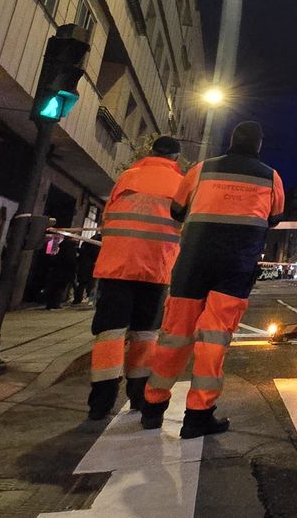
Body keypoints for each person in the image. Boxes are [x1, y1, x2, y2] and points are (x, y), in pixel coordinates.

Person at [140, 122, 284, 438]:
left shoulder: (202, 170)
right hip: (236, 266)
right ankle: (198, 415)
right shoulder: (271, 177)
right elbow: (274, 217)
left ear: (231, 141)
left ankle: (152, 406)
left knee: (175, 334)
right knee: (214, 339)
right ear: (259, 145)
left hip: (193, 262)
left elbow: (177, 208)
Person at [85, 136, 185, 420]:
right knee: (146, 334)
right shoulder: (180, 184)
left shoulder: (128, 176)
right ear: (175, 158)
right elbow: (183, 225)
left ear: (150, 152)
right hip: (155, 269)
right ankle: (139, 395)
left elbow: (108, 219)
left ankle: (100, 402)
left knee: (110, 334)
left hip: (117, 267)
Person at [46, 236, 80, 309]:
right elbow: (71, 260)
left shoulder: (61, 246)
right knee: (60, 287)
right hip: (65, 270)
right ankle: (55, 304)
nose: (77, 239)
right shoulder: (70, 248)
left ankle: (51, 304)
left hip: (58, 270)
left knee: (55, 287)